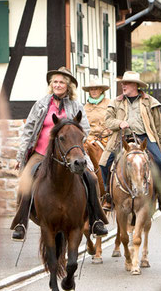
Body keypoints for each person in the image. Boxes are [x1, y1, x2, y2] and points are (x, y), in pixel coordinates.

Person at [10, 67, 109, 242]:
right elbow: (28, 131)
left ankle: (96, 221)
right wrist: (20, 156)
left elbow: (85, 129)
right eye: (55, 82)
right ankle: (20, 223)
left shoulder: (76, 105)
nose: (57, 85)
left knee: (92, 178)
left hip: (70, 153)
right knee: (25, 180)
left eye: (61, 82)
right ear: (51, 85)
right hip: (41, 153)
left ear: (68, 86)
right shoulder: (41, 104)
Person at [99, 71, 161, 212]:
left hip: (145, 137)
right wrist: (119, 123)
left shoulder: (149, 101)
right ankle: (108, 194)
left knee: (160, 162)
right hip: (121, 138)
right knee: (104, 163)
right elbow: (107, 121)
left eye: (126, 83)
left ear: (136, 85)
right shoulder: (116, 102)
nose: (123, 85)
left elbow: (159, 125)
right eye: (122, 83)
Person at [82, 77, 112, 210]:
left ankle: (109, 192)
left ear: (101, 90)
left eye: (96, 88)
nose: (93, 91)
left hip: (106, 138)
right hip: (88, 138)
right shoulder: (84, 107)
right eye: (91, 89)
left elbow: (114, 120)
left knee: (110, 162)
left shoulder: (109, 104)